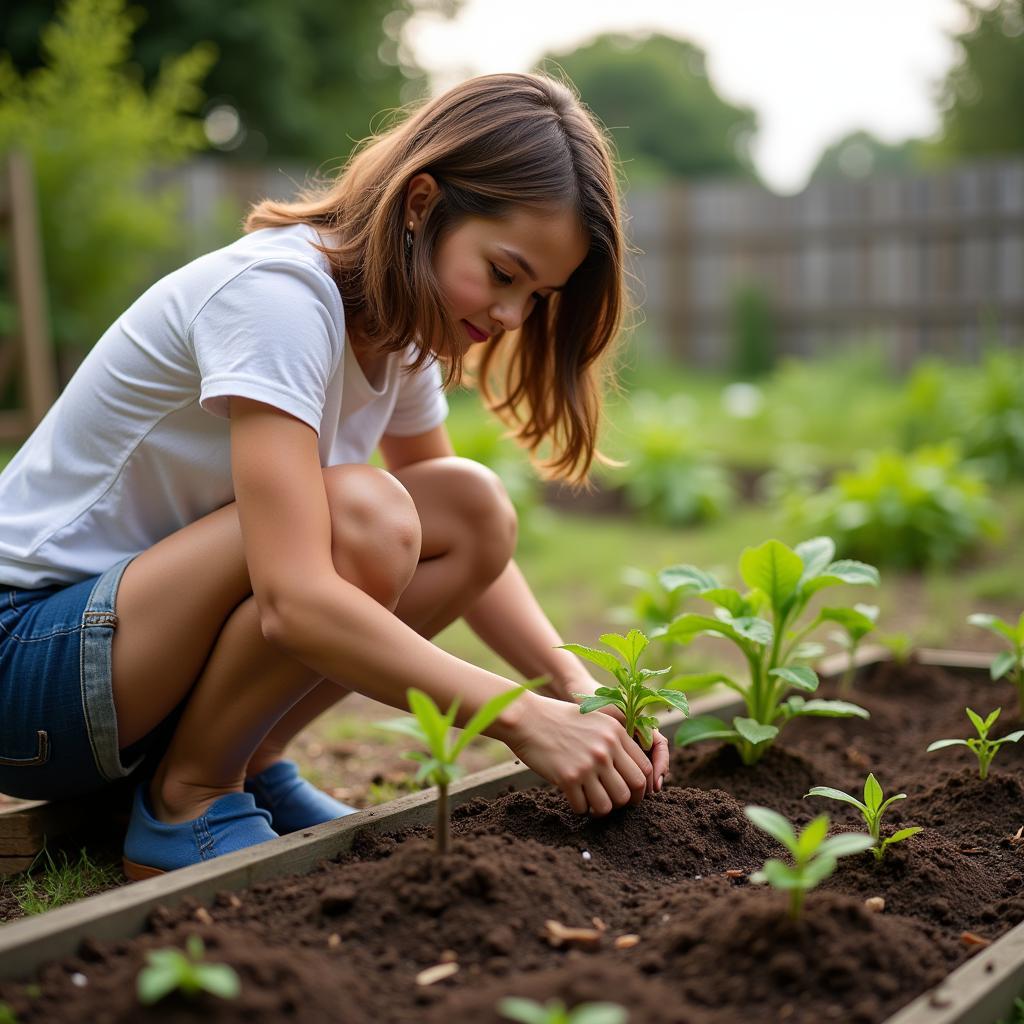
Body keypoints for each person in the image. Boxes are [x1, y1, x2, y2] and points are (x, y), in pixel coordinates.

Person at [0, 72, 669, 878]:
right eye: (502, 273)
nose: (512, 318)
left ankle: (248, 758)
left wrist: (571, 685)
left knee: (470, 507)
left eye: (538, 295)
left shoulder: (404, 326)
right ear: (421, 205)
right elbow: (294, 601)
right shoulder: (280, 298)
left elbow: (464, 543)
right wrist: (520, 719)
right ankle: (190, 799)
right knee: (364, 518)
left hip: (124, 658)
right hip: (27, 666)